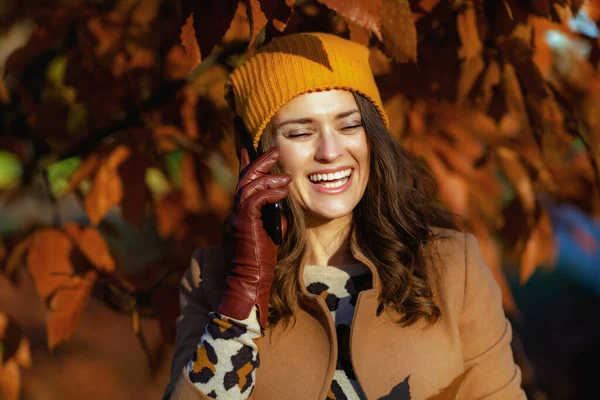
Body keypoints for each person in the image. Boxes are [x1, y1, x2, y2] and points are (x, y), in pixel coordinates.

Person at [163, 32, 526, 399]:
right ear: (258, 157)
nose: (331, 151)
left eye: (349, 125)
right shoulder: (213, 278)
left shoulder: (451, 267)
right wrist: (245, 291)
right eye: (300, 132)